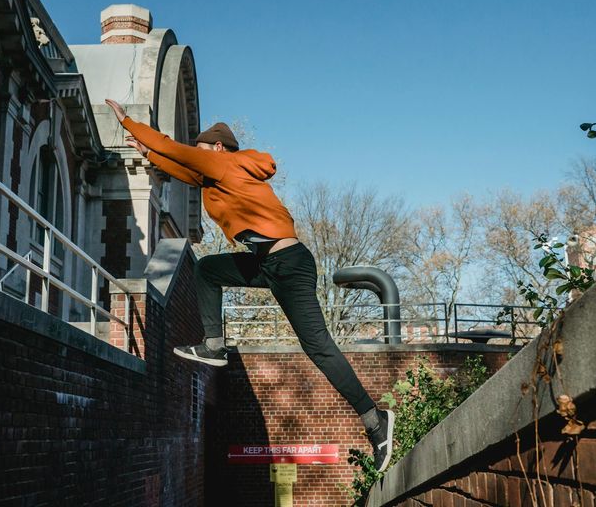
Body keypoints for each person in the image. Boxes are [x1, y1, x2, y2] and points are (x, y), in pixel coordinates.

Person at [105, 99, 395, 472]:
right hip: (267, 263)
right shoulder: (216, 176)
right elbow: (181, 167)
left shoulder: (225, 163)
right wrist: (149, 153)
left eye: (202, 149)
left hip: (289, 264)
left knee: (318, 346)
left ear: (218, 148)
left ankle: (375, 420)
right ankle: (214, 345)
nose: (198, 154)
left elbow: (177, 152)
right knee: (209, 270)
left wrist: (129, 123)